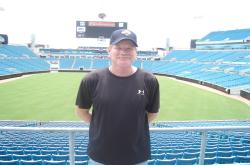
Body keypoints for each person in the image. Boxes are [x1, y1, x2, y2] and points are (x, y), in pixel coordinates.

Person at [75, 29, 160, 165]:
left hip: (136, 156)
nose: (123, 52)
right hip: (100, 155)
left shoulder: (149, 80)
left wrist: (132, 126)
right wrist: (101, 125)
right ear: (109, 50)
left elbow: (153, 113)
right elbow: (81, 111)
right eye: (118, 47)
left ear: (135, 52)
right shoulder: (91, 79)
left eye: (129, 48)